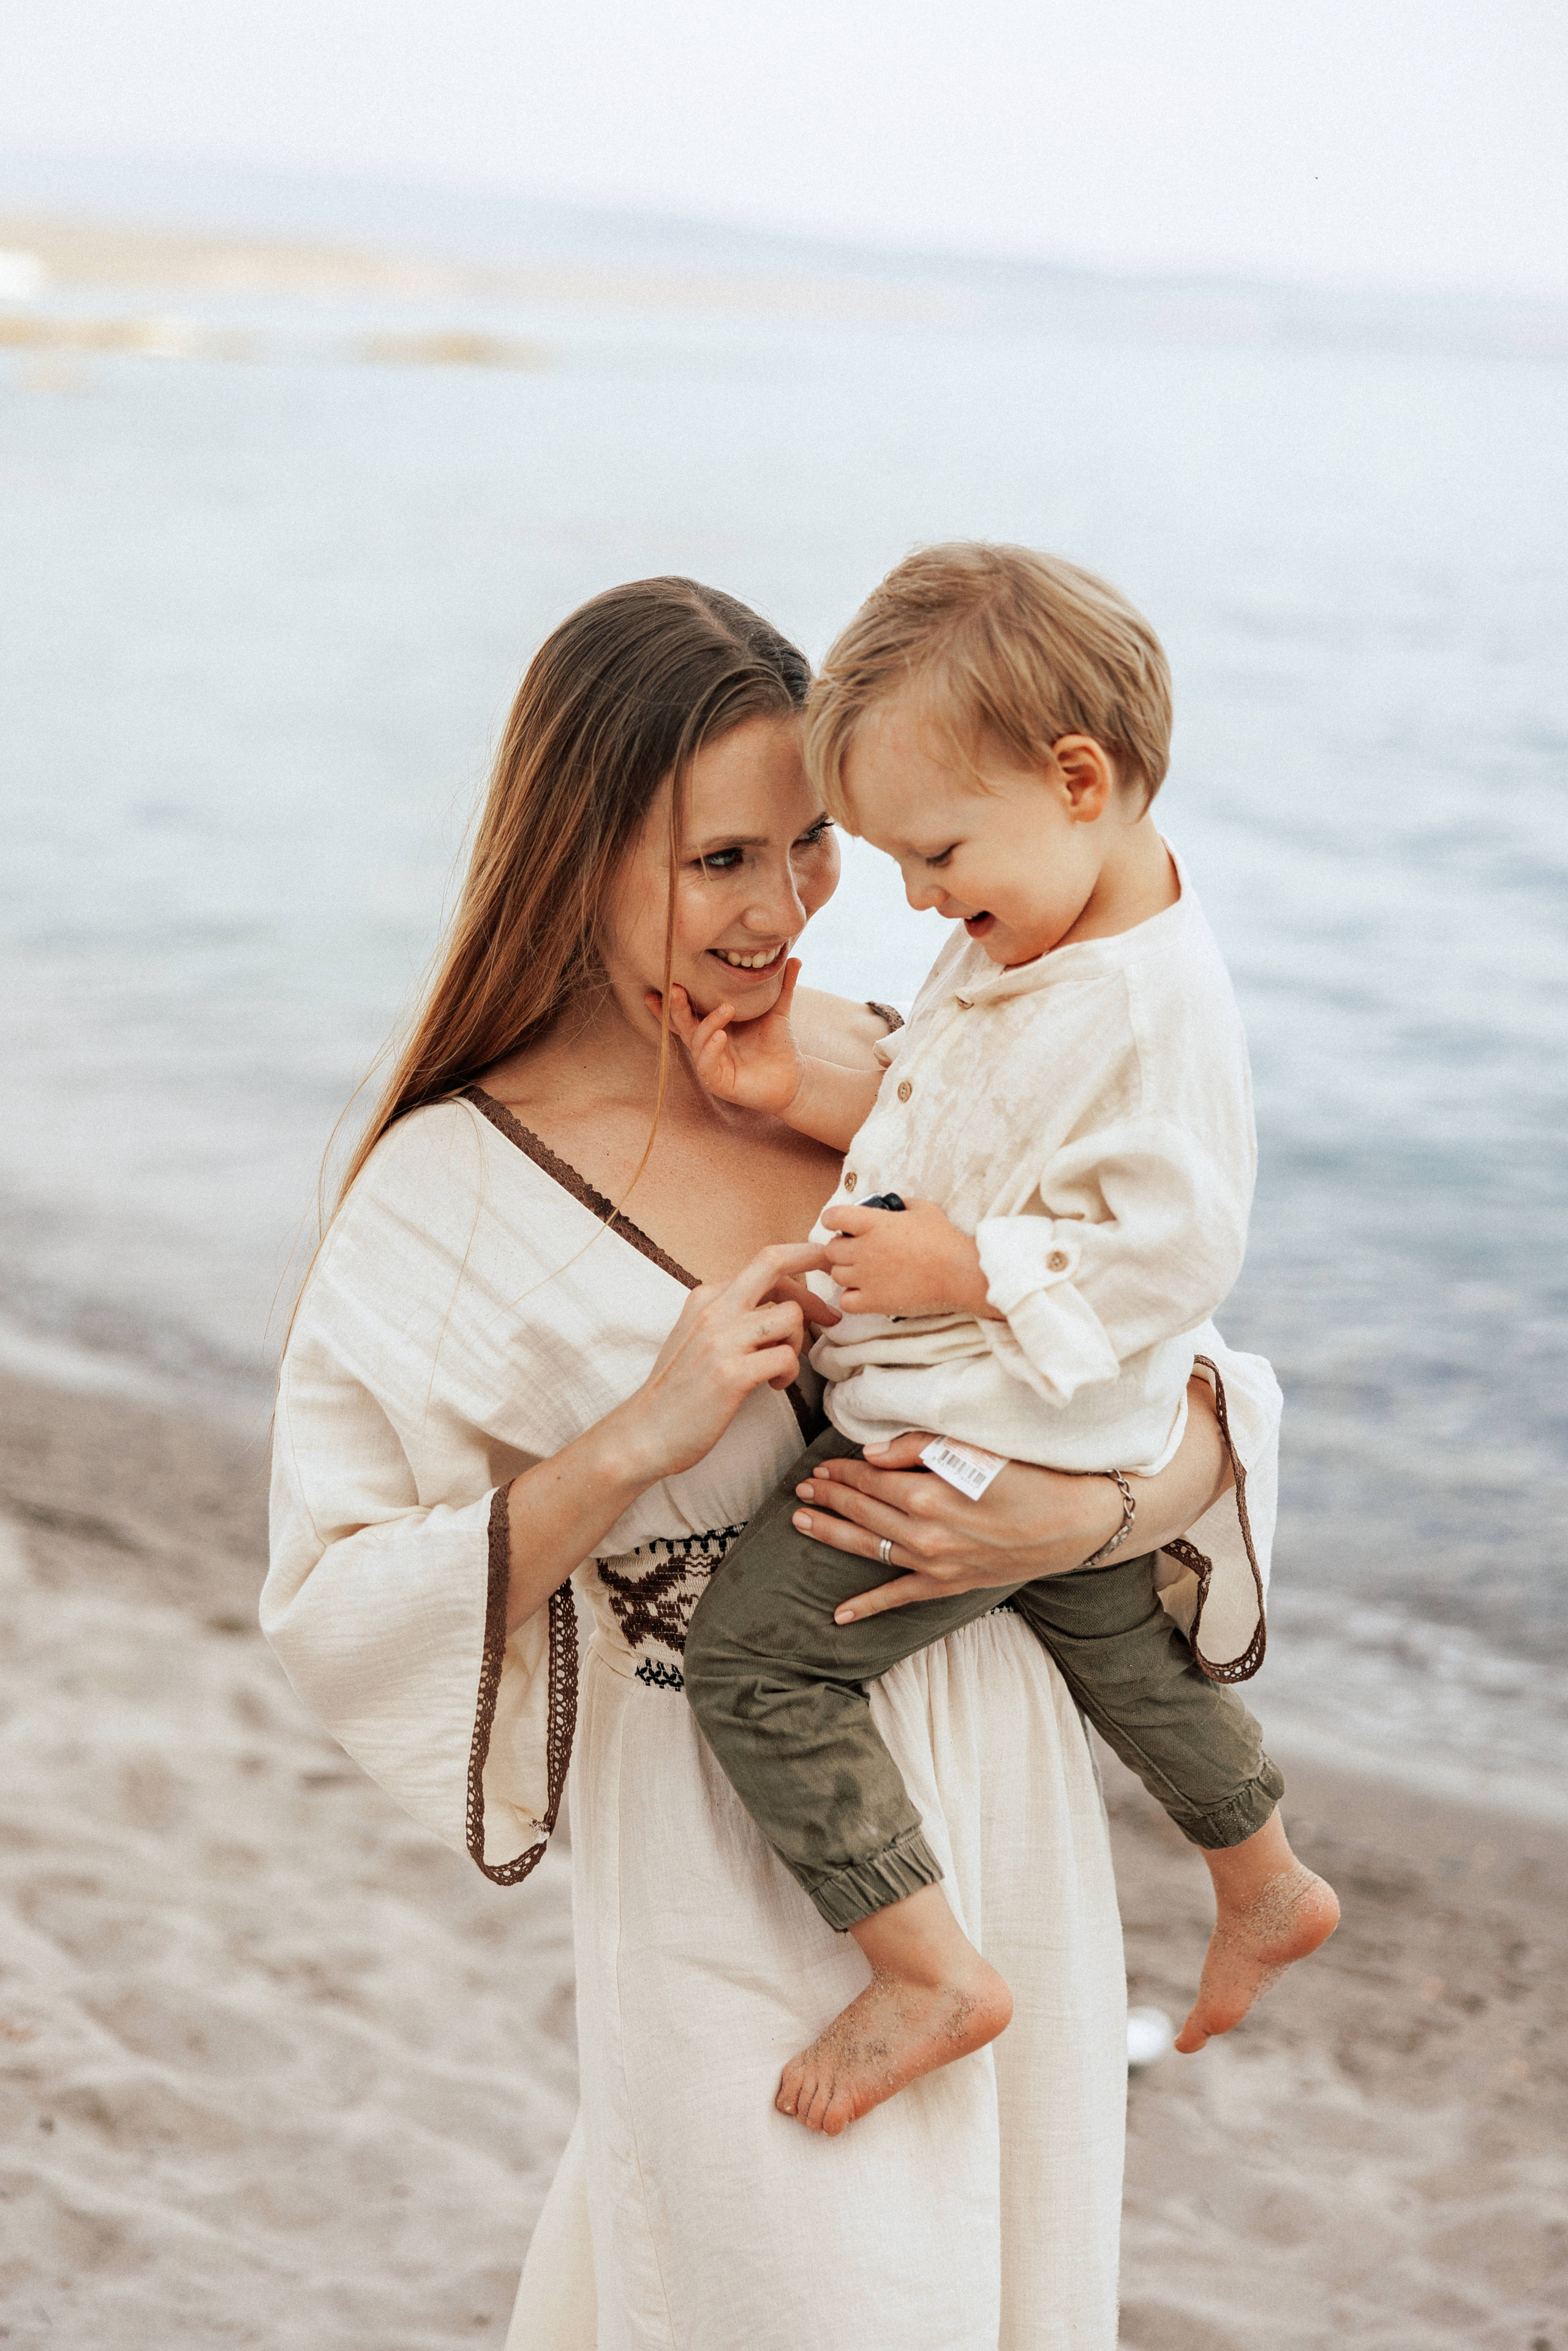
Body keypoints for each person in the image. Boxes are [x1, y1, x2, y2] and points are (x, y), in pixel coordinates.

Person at [263, 575, 1263, 2351]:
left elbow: (1186, 1376)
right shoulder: (451, 1187)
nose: (789, 906)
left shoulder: (900, 1069)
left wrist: (1075, 1518)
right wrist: (634, 1441)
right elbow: (335, 1599)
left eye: (811, 845)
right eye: (722, 859)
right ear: (576, 859)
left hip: (1010, 1817)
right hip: (728, 1856)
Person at [677, 545, 1340, 2138]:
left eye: (936, 854)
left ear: (1078, 780)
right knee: (1120, 1647)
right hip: (1047, 1412)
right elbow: (958, 1118)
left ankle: (924, 1969)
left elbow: (1176, 1252)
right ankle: (1263, 1874)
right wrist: (796, 1093)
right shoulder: (1037, 917)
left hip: (986, 1426)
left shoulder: (1147, 1010)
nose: (917, 899)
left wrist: (967, 1269)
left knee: (756, 1664)